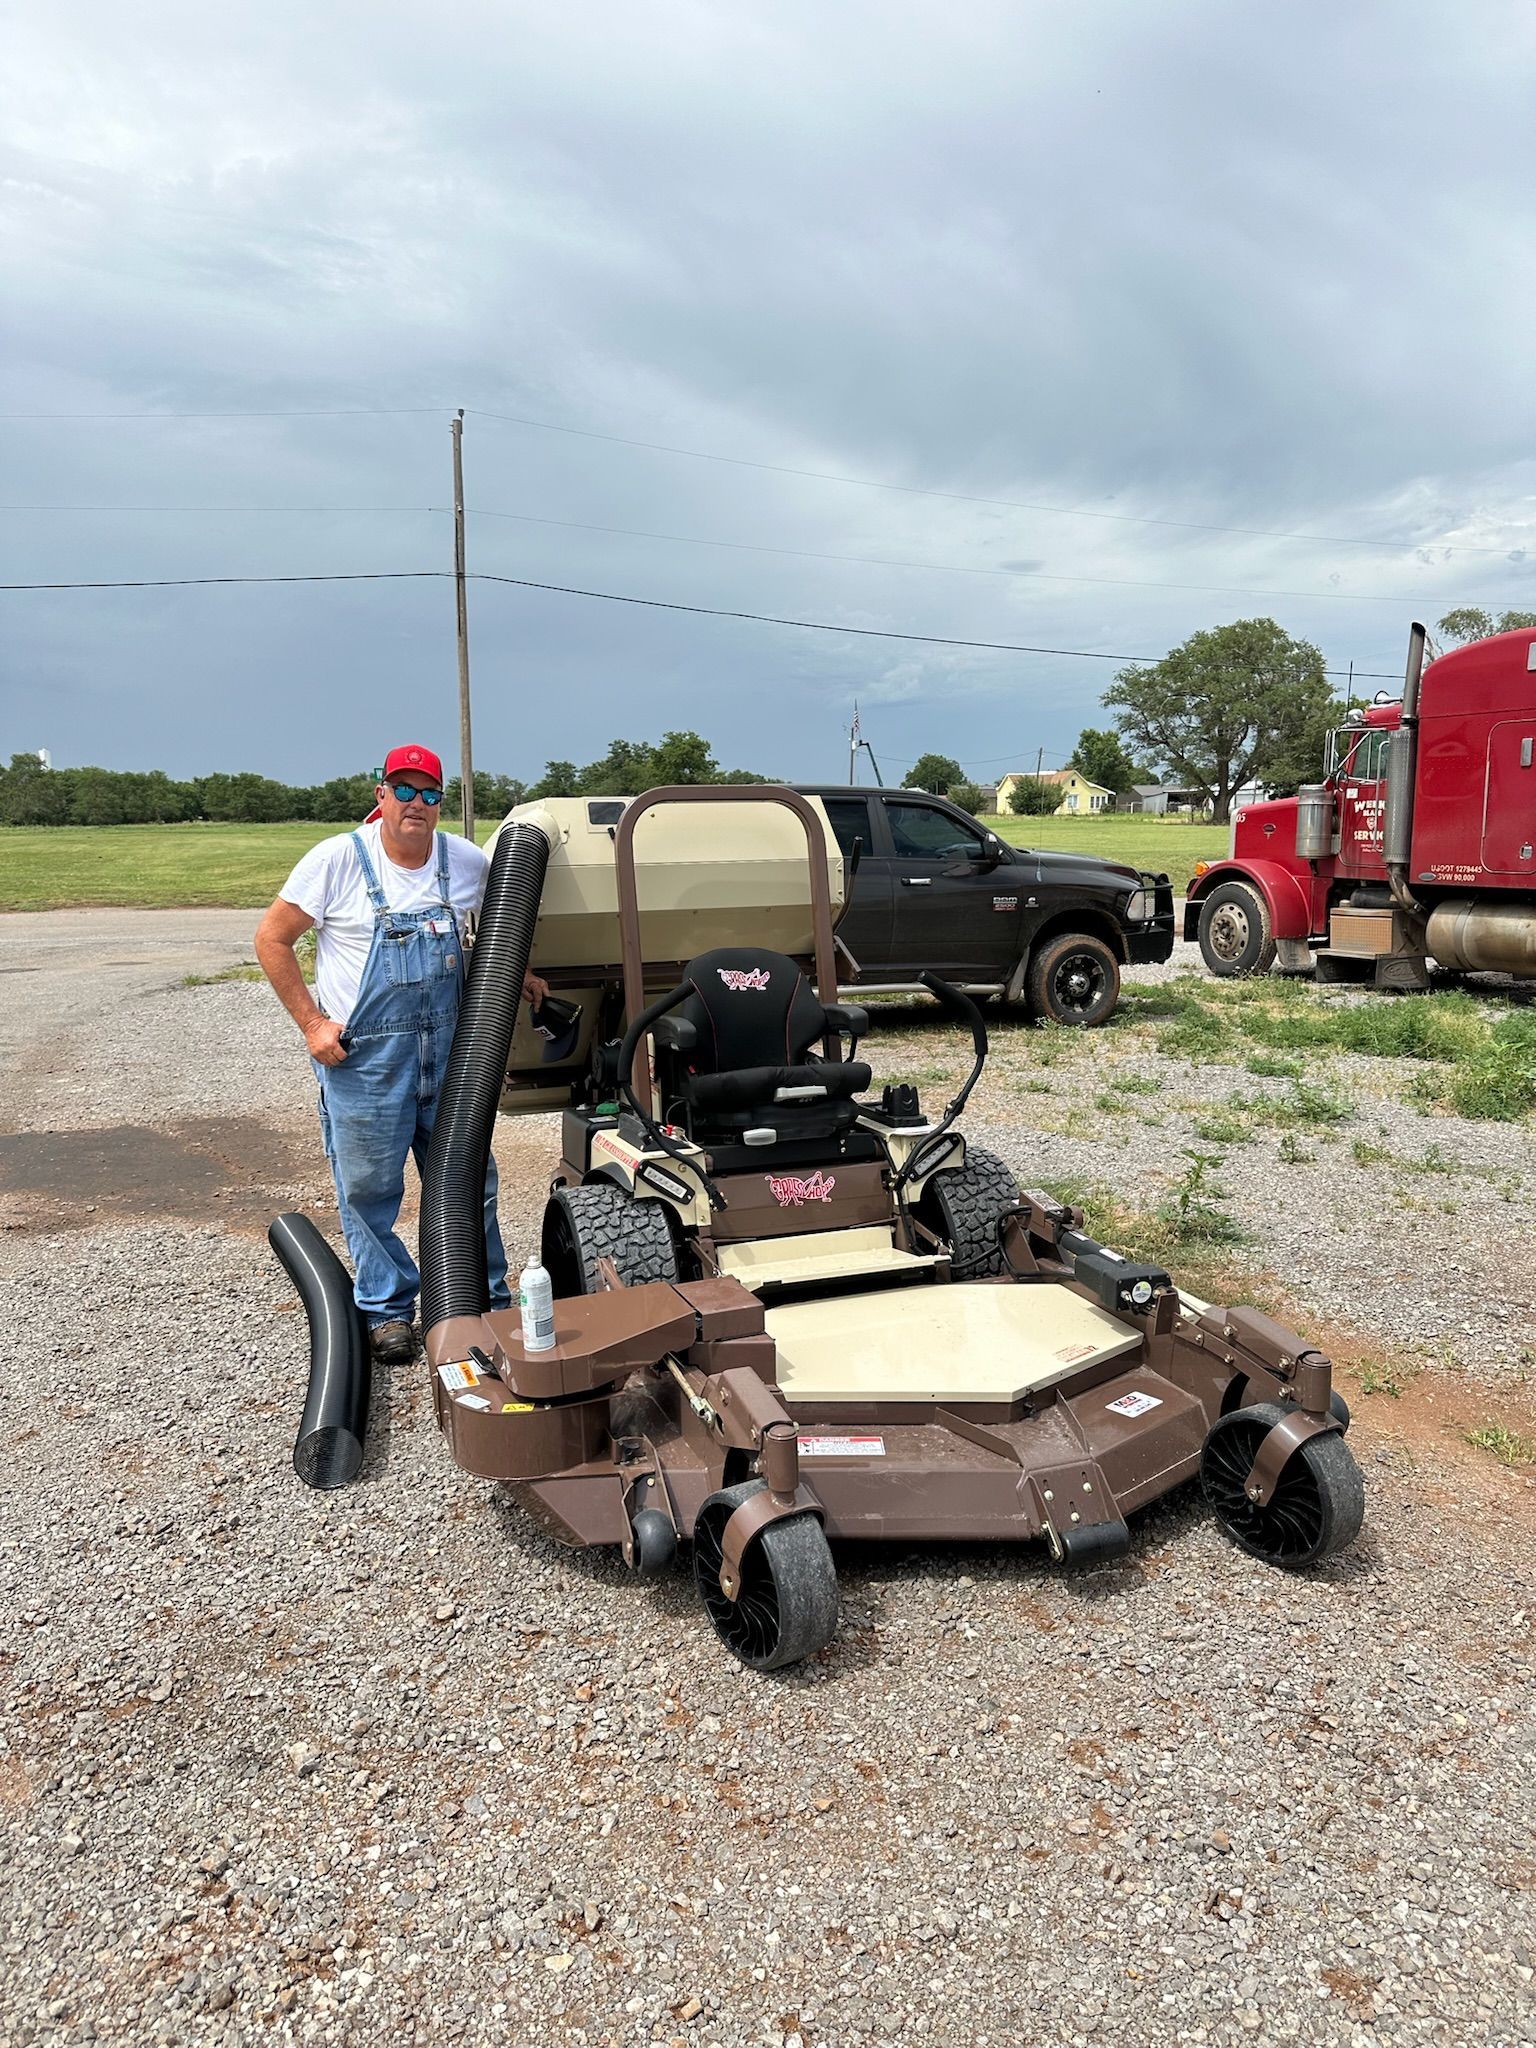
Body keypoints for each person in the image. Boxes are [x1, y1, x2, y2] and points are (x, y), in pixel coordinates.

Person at [255, 744, 546, 1363]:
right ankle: (388, 1311)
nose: (417, 804)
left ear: (443, 803)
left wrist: (515, 973)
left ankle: (483, 1300)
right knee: (368, 1189)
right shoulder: (337, 860)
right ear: (381, 795)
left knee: (469, 1179)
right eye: (405, 790)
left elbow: (499, 928)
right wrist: (311, 1023)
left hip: (450, 1053)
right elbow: (271, 939)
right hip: (364, 1060)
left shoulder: (463, 861)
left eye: (430, 793)